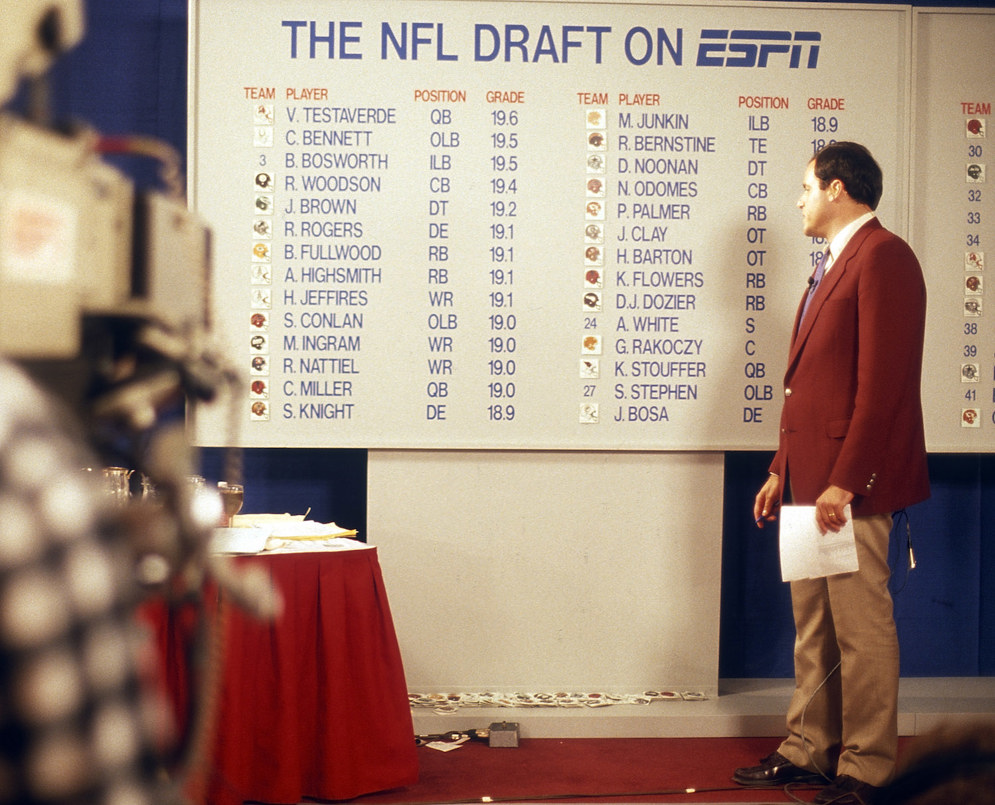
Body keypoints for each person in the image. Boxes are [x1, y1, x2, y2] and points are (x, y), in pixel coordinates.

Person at [733, 142, 930, 804]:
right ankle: (810, 749)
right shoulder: (834, 264)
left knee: (860, 628)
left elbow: (882, 385)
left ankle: (866, 766)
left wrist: (847, 479)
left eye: (805, 186)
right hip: (808, 480)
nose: (798, 199)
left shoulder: (883, 257)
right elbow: (810, 387)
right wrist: (779, 469)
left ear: (837, 189)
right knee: (814, 625)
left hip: (849, 486)